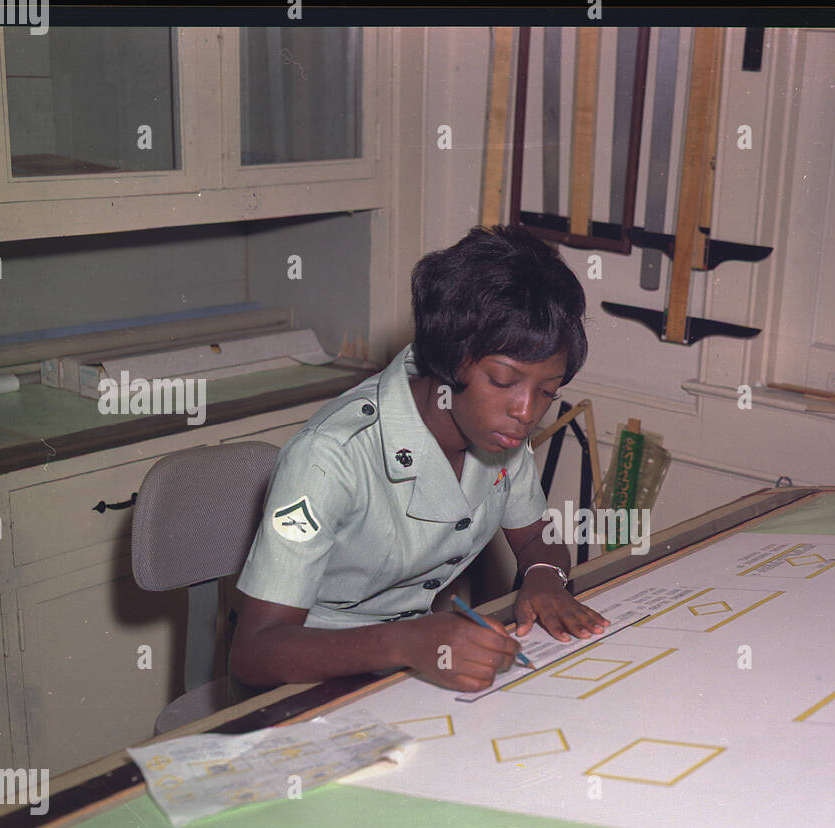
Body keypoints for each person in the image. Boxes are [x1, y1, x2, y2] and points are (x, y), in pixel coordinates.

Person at [229, 225, 609, 696]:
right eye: (503, 380)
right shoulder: (330, 457)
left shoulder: (499, 431)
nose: (527, 412)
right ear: (451, 357)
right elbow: (254, 653)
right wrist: (407, 643)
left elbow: (537, 537)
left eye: (548, 390)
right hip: (303, 676)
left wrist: (544, 578)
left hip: (408, 658)